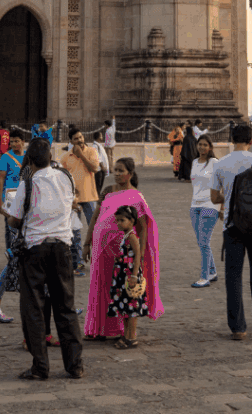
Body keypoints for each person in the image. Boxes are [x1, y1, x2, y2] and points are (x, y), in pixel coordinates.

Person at [5, 137, 85, 380]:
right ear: (50, 157)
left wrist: (7, 213)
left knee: (34, 308)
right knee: (66, 308)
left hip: (35, 250)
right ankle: (75, 365)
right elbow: (71, 204)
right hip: (62, 247)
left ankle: (40, 366)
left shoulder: (26, 185)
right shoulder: (66, 178)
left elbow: (15, 220)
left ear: (29, 159)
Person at [82, 157, 162, 342]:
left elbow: (142, 229)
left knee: (118, 289)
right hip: (101, 249)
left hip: (123, 252)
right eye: (115, 170)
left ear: (130, 174)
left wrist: (139, 255)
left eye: (121, 170)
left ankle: (120, 330)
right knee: (100, 287)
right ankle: (98, 329)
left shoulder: (137, 197)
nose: (117, 174)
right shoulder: (108, 191)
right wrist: (87, 243)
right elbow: (95, 217)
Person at [209, 123, 252, 340]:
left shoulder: (220, 164)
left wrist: (229, 198)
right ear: (251, 140)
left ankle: (238, 327)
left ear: (231, 139)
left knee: (233, 276)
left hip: (232, 225)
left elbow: (214, 197)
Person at [0, 129, 27, 324]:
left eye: (17, 141)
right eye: (12, 141)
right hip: (11, 202)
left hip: (23, 202)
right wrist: (0, 201)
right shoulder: (5, 158)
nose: (14, 144)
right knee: (14, 255)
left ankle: (61, 305)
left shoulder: (28, 157)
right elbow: (1, 178)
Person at [105, 204, 150, 349]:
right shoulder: (126, 235)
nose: (119, 223)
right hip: (123, 273)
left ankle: (132, 337)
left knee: (131, 307)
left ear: (132, 221)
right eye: (117, 220)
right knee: (125, 306)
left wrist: (134, 276)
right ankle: (126, 335)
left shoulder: (132, 236)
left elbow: (137, 256)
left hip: (130, 274)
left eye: (122, 220)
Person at [62, 129, 101, 273]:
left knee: (96, 230)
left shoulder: (91, 152)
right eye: (76, 138)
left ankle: (99, 260)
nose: (79, 140)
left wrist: (81, 155)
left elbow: (95, 168)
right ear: (71, 141)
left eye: (81, 137)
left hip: (90, 197)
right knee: (75, 232)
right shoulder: (65, 157)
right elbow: (62, 178)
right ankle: (77, 262)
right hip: (74, 200)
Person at [189, 133, 221, 288]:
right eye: (200, 144)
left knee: (204, 242)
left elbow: (222, 184)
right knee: (201, 242)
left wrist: (222, 207)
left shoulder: (215, 163)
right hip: (194, 206)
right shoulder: (194, 162)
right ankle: (212, 271)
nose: (202, 147)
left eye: (205, 145)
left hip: (210, 205)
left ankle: (204, 277)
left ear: (210, 147)